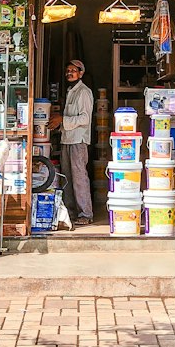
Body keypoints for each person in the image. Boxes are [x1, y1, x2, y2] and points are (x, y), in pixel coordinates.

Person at [59, 58, 94, 225]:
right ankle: (71, 213)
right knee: (67, 177)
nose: (69, 73)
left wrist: (62, 120)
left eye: (73, 70)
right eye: (68, 70)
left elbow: (85, 118)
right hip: (67, 139)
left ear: (81, 73)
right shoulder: (70, 91)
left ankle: (86, 214)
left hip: (78, 140)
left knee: (79, 177)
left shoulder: (84, 92)